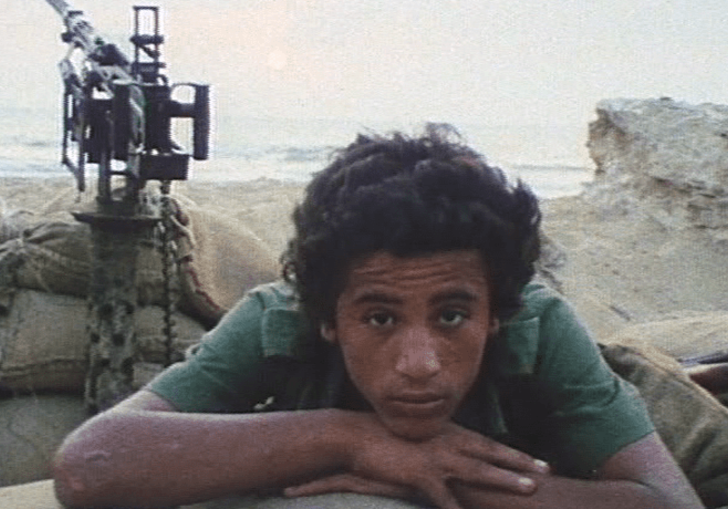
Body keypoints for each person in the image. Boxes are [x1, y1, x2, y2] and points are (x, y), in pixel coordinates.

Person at [52, 125, 704, 509]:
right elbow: (92, 462)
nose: (418, 363)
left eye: (452, 315)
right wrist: (352, 438)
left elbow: (670, 500)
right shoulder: (278, 318)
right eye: (380, 318)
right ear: (328, 316)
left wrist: (441, 475)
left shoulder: (539, 325)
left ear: (497, 312)